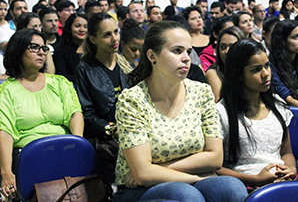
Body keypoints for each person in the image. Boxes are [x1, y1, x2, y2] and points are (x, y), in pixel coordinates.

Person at [113, 20, 248, 201]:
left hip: (190, 180)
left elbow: (215, 158)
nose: (186, 58)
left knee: (232, 188)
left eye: (189, 52)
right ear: (152, 56)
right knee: (187, 196)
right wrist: (195, 179)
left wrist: (162, 168)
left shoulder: (201, 92)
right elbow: (143, 174)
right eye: (177, 51)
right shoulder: (132, 100)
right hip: (139, 189)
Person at [215, 38, 298, 202]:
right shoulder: (221, 112)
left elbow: (286, 152)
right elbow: (216, 168)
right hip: (247, 184)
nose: (266, 73)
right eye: (256, 69)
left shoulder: (277, 104)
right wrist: (257, 179)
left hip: (281, 178)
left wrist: (291, 169)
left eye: (267, 66)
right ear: (239, 75)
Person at [0, 29, 83, 201]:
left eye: (44, 49)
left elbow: (75, 114)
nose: (41, 52)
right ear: (18, 50)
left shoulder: (60, 83)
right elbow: (5, 133)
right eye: (34, 47)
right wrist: (7, 172)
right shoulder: (6, 90)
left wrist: (77, 147)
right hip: (29, 157)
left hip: (64, 151)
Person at [75, 12, 128, 183]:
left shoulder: (126, 66)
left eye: (115, 32)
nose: (114, 39)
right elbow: (87, 114)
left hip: (133, 132)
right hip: (106, 140)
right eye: (107, 35)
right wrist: (114, 129)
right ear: (93, 39)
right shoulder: (85, 70)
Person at [206, 26, 245, 102]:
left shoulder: (247, 69)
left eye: (232, 47)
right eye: (223, 47)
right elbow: (219, 104)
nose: (226, 51)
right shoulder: (213, 73)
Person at [53, 13, 88, 82]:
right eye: (77, 26)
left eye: (85, 26)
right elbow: (61, 76)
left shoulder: (93, 48)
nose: (82, 29)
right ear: (69, 27)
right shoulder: (60, 49)